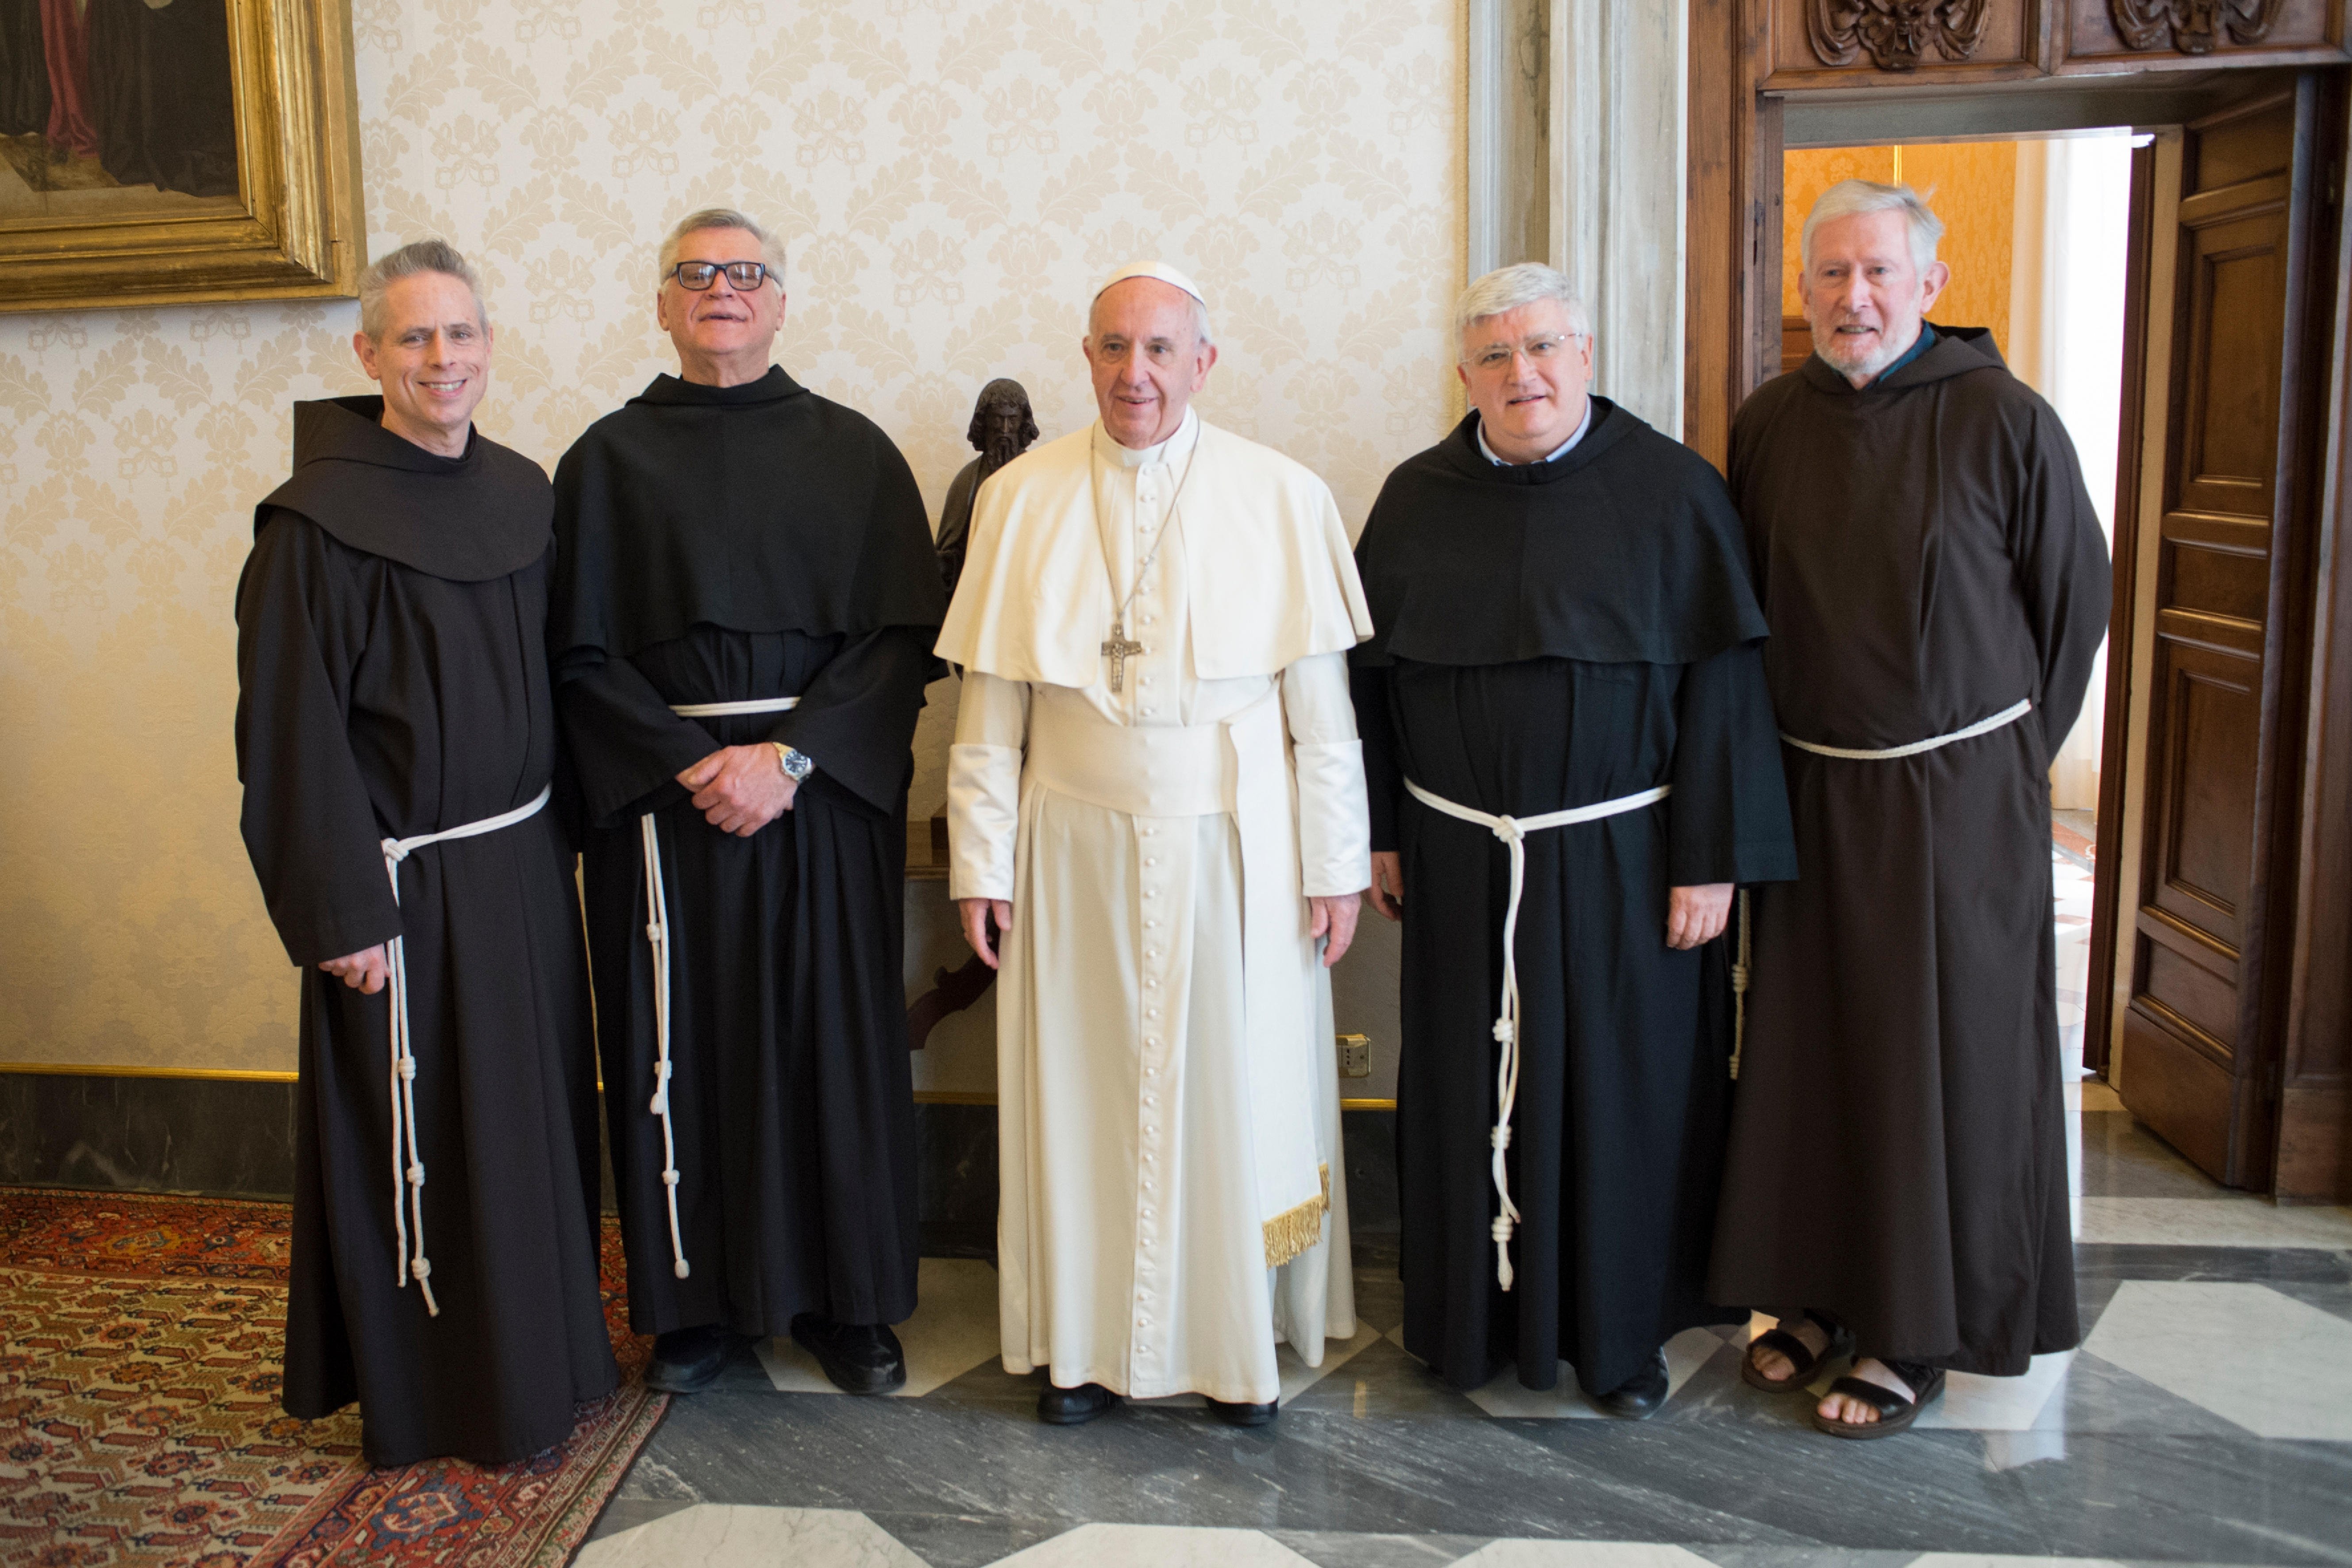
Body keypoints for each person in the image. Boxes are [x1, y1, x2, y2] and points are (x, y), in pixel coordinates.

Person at [1351, 263, 1796, 1418]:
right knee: (1462, 1082)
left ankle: (1620, 1332)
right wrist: (1383, 830)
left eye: (1544, 347)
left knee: (1621, 1093)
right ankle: (1465, 1321)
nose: (1523, 372)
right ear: (1465, 374)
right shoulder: (1412, 499)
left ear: (1586, 357)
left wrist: (1712, 854)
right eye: (1496, 355)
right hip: (1456, 857)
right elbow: (1371, 687)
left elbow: (1723, 688)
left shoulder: (1672, 491)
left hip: (1628, 862)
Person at [940, 261, 1371, 1427]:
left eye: (1163, 349)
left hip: (1235, 844)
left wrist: (1336, 862)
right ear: (1086, 358)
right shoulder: (1020, 498)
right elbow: (990, 710)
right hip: (1067, 840)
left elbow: (1323, 715)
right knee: (1080, 1093)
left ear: (1204, 361)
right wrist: (981, 862)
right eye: (1115, 348)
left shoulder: (1281, 495)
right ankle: (1082, 1351)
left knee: (1227, 1093)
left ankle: (1233, 1348)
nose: (1138, 373)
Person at [1711, 180, 2110, 1437]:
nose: (1852, 297)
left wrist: (1996, 762)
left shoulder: (2005, 418)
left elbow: (2072, 605)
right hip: (1809, 786)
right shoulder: (1769, 420)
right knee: (1814, 1054)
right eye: (1829, 275)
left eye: (1877, 272)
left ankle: (1916, 1329)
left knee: (1934, 1061)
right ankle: (1822, 1298)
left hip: (1956, 803)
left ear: (1929, 285)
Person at [549, 208, 945, 1397]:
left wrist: (790, 759)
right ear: (661, 303)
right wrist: (689, 761)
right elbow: (574, 656)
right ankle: (692, 1302)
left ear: (781, 301)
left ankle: (850, 1301)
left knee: (833, 1040)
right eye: (696, 274)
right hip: (668, 816)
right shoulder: (603, 462)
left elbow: (897, 642)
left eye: (746, 273)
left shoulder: (858, 452)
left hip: (818, 803)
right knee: (682, 1046)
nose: (723, 289)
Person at [234, 239, 614, 1467]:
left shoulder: (523, 490)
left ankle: (547, 1364)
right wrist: (339, 908)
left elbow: (561, 688)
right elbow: (287, 731)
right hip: (395, 889)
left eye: (460, 335)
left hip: (521, 867)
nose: (441, 359)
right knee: (432, 1130)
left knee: (529, 1122)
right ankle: (445, 1393)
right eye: (413, 338)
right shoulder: (315, 525)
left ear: (490, 348)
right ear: (368, 356)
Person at [934, 378, 1038, 596]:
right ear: (985, 422)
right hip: (977, 593)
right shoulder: (967, 481)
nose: (1005, 429)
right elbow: (949, 556)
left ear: (1023, 424)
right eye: (998, 420)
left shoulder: (1039, 479)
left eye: (1012, 420)